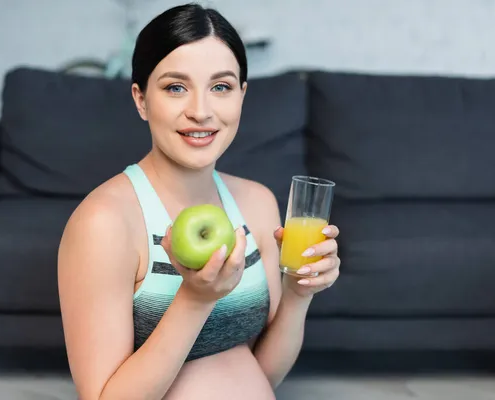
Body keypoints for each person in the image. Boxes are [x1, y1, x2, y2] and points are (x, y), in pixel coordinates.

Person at [57, 3, 341, 400]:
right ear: (141, 99)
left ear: (241, 96)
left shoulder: (257, 203)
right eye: (176, 87)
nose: (201, 112)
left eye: (220, 87)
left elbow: (262, 373)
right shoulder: (104, 222)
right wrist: (194, 299)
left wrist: (297, 293)